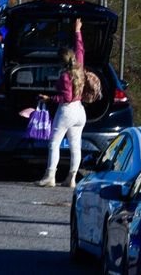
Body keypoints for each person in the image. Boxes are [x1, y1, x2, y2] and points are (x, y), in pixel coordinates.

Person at [37, 17, 85, 188]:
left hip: (67, 111)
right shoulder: (79, 66)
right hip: (80, 111)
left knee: (54, 142)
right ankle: (71, 178)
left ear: (61, 62)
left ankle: (50, 176)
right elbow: (80, 48)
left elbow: (66, 98)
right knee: (75, 145)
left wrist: (48, 98)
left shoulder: (65, 77)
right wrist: (77, 30)